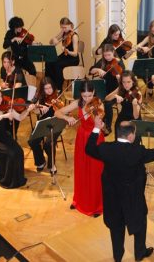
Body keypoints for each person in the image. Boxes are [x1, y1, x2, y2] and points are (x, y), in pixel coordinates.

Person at [85, 116, 154, 262]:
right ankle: (139, 253)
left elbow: (89, 149)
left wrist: (96, 128)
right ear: (131, 135)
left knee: (116, 229)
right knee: (140, 223)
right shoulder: (137, 151)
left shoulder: (105, 149)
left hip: (112, 199)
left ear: (118, 134)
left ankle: (117, 257)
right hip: (133, 198)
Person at [55, 80, 104, 217]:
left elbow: (101, 126)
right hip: (82, 138)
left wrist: (96, 115)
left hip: (95, 138)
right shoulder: (78, 103)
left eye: (89, 95)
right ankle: (79, 200)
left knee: (95, 171)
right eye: (84, 96)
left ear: (93, 92)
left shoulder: (99, 104)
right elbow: (57, 112)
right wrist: (67, 118)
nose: (87, 99)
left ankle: (96, 205)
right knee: (81, 169)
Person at [0, 86, 35, 188]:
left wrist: (27, 110)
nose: (2, 99)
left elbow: (19, 117)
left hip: (3, 136)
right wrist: (2, 116)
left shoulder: (5, 107)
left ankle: (18, 179)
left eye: (1, 96)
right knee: (10, 153)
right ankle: (6, 180)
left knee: (19, 151)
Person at [28, 77, 62, 173]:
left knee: (48, 144)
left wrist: (57, 106)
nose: (49, 91)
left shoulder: (57, 94)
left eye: (50, 88)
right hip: (43, 122)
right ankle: (41, 161)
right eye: (46, 89)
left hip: (56, 122)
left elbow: (62, 109)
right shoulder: (39, 96)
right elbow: (31, 105)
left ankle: (52, 164)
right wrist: (37, 107)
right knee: (32, 141)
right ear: (42, 89)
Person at [90, 44, 125, 136]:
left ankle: (108, 126)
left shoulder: (119, 62)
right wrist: (98, 69)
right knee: (96, 100)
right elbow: (91, 70)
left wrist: (119, 78)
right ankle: (98, 122)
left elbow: (124, 81)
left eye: (109, 55)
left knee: (107, 104)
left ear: (113, 52)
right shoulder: (103, 62)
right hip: (105, 88)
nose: (107, 57)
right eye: (105, 55)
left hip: (117, 90)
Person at [105, 70, 142, 138]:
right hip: (123, 115)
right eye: (124, 82)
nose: (126, 85)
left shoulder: (138, 94)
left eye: (128, 82)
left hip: (133, 119)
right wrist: (116, 96)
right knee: (117, 127)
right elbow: (107, 98)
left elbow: (136, 116)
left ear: (133, 81)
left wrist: (134, 105)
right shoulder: (121, 88)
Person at [47, 17, 80, 91]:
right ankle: (50, 84)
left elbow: (75, 53)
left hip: (73, 58)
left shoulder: (74, 36)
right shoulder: (63, 33)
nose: (63, 29)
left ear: (70, 25)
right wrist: (53, 40)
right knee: (49, 61)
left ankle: (59, 87)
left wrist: (67, 51)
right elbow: (51, 42)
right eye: (62, 27)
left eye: (65, 27)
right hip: (65, 56)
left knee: (57, 64)